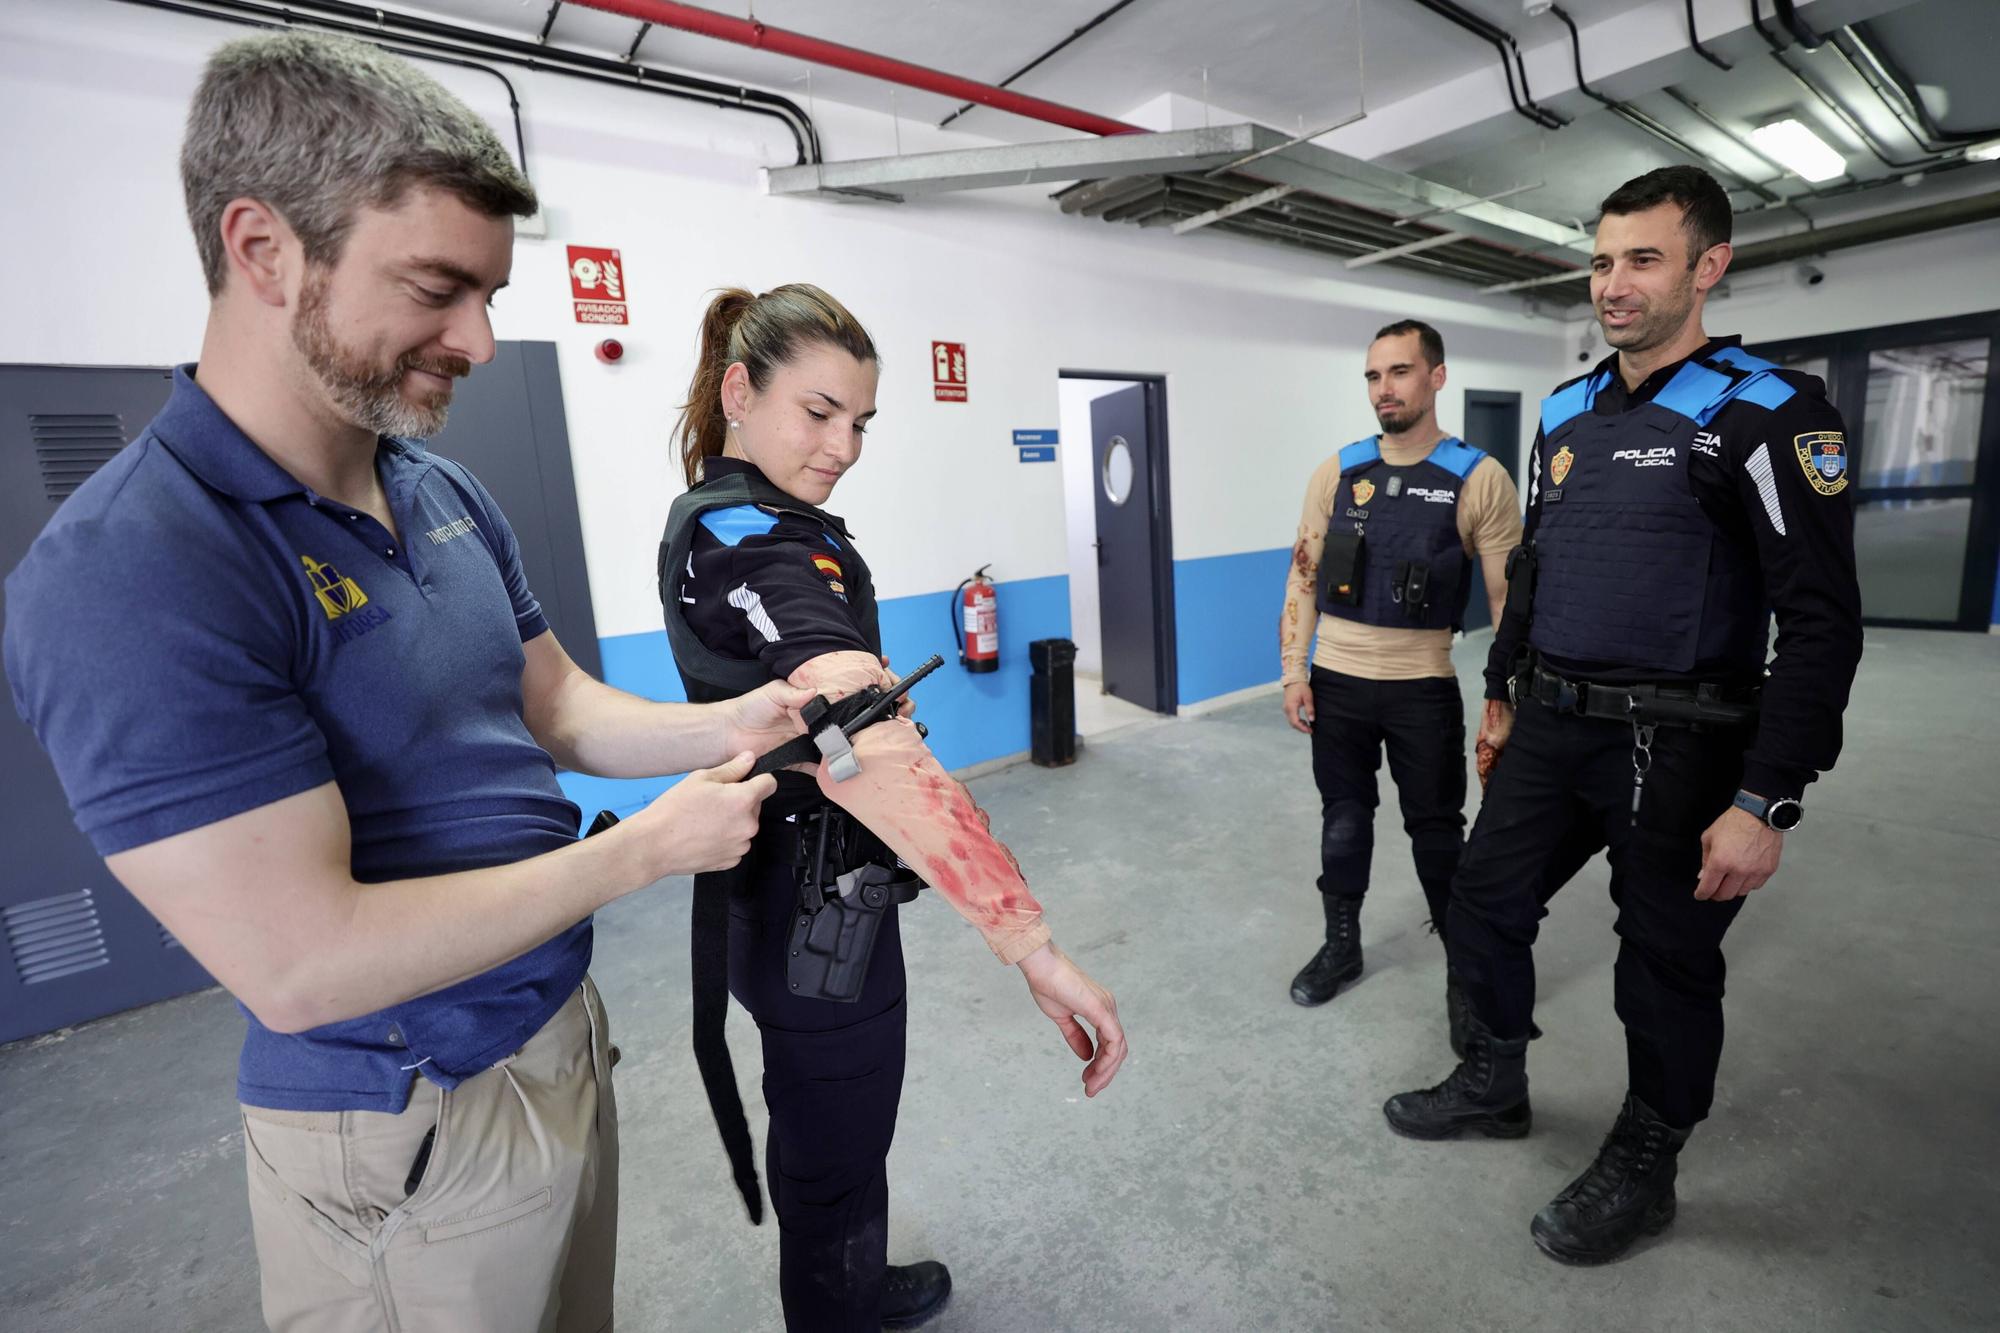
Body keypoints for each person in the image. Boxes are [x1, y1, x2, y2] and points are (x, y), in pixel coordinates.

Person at [3, 34, 804, 1332]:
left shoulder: (436, 487)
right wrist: (642, 855)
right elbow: (304, 966)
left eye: (489, 292)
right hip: (401, 1122)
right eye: (439, 287)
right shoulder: (135, 573)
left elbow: (554, 708)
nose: (481, 340)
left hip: (553, 1033)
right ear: (264, 250)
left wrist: (745, 717)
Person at [1381, 166, 1863, 1266]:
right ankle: (1493, 1078)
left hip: (1685, 744)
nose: (1611, 282)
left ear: (1706, 266)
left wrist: (1765, 799)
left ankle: (1647, 1160)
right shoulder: (1563, 411)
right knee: (1481, 901)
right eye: (1600, 260)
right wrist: (1500, 692)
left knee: (1661, 963)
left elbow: (1821, 625)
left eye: (1641, 258)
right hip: (1552, 723)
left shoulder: (1767, 412)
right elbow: (1535, 571)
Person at [658, 284, 1128, 1330]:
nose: (844, 444)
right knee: (830, 1149)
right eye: (818, 412)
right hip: (804, 913)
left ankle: (855, 1288)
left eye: (860, 422)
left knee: (838, 1128)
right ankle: (836, 1305)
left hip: (812, 897)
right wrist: (1033, 947)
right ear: (740, 390)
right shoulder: (750, 538)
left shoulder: (762, 519)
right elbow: (865, 738)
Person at [1277, 320, 1593, 1051]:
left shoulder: (1478, 477)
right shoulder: (1338, 471)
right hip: (1338, 683)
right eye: (1373, 375)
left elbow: (1510, 604)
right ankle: (1342, 944)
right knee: (1343, 820)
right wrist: (1295, 668)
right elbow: (1302, 574)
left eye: (1400, 372)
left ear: (1436, 377)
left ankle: (1466, 972)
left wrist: (1507, 699)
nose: (1384, 388)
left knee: (1438, 834)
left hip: (1423, 687)